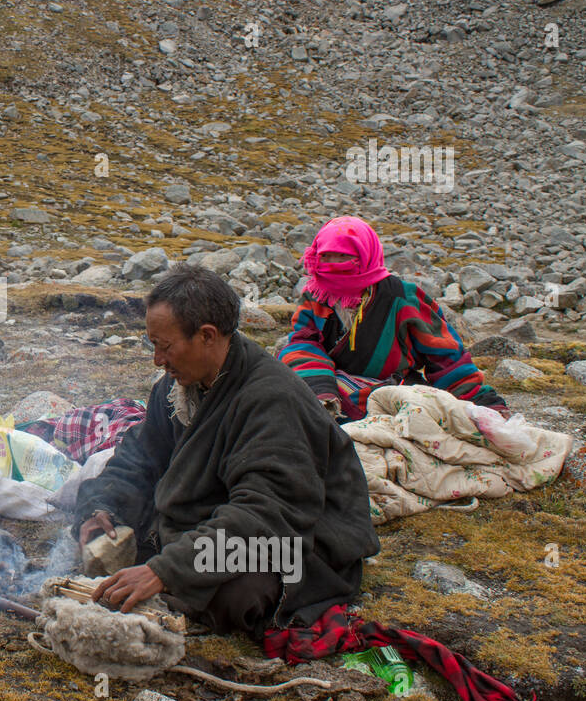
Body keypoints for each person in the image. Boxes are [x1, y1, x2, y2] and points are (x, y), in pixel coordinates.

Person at [74, 265, 380, 638]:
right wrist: (103, 505)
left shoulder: (272, 400)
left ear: (207, 336)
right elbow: (140, 456)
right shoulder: (176, 388)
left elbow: (267, 515)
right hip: (220, 515)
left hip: (296, 539)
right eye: (153, 345)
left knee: (237, 594)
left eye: (165, 347)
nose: (157, 360)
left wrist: (165, 571)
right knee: (132, 533)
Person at [278, 216, 508, 422]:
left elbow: (447, 357)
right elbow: (303, 342)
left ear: (366, 255)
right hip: (328, 390)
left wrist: (483, 404)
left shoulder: (404, 298)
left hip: (393, 390)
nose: (334, 265)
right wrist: (321, 388)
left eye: (344, 257)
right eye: (326, 257)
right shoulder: (316, 294)